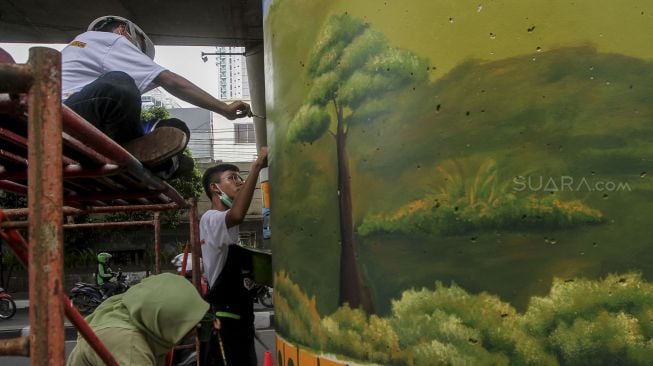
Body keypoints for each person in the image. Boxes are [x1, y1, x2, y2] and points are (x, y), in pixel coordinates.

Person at [61, 15, 251, 178]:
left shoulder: (81, 52)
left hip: (83, 119)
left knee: (175, 127)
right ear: (123, 30)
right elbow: (171, 81)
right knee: (119, 83)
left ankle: (154, 160)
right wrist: (224, 108)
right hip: (70, 117)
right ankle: (157, 163)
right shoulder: (108, 39)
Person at [199, 147, 268, 366]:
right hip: (227, 322)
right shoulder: (211, 218)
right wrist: (257, 166)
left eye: (240, 177)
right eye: (232, 178)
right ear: (215, 188)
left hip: (240, 320)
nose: (239, 182)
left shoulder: (226, 227)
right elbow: (237, 214)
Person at [67, 273, 211, 366]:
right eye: (188, 322)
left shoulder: (134, 318)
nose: (193, 329)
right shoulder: (128, 343)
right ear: (169, 318)